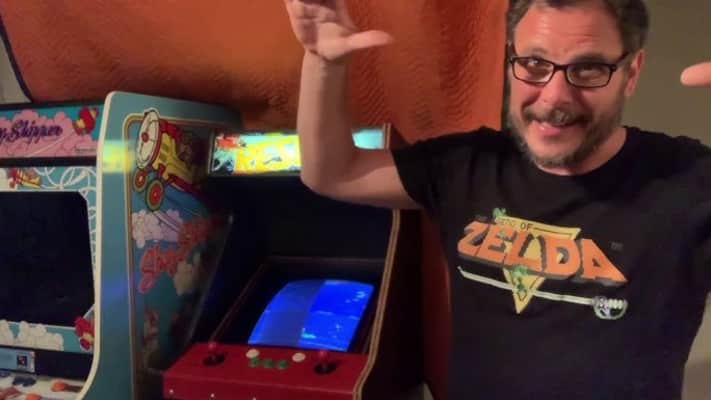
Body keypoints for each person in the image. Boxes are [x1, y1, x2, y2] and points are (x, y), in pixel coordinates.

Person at [284, 0, 711, 398]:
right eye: (534, 64)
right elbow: (332, 173)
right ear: (511, 62)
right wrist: (323, 63)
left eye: (588, 69)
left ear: (631, 73)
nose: (554, 97)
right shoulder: (467, 164)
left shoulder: (688, 182)